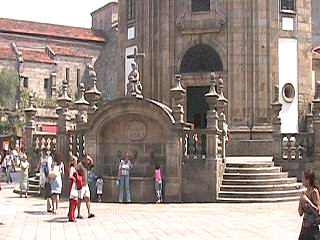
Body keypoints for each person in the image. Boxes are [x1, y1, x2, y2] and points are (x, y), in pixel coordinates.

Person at [298, 170, 320, 240]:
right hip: (305, 228)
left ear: (308, 180)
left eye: (303, 178)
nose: (302, 179)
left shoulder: (314, 192)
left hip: (313, 229)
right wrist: (301, 201)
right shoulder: (304, 193)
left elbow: (317, 212)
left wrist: (308, 201)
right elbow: (300, 213)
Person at [77, 154, 95, 219]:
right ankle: (78, 213)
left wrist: (90, 159)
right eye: (86, 159)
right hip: (81, 185)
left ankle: (89, 213)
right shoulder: (80, 165)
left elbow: (92, 165)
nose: (88, 161)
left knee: (87, 198)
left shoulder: (86, 165)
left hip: (86, 184)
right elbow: (76, 172)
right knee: (80, 199)